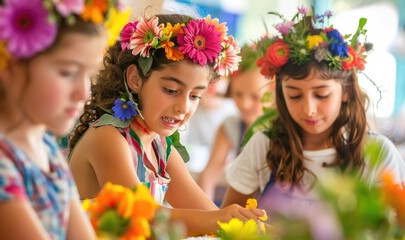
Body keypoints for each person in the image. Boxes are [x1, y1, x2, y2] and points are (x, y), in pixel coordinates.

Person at [68, 13, 266, 236]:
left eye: (195, 96)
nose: (183, 107)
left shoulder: (160, 144)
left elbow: (205, 210)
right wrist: (219, 219)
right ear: (135, 79)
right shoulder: (109, 137)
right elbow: (141, 216)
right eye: (171, 91)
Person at [222, 6, 405, 221]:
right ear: (281, 94)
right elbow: (226, 222)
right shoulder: (263, 146)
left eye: (322, 95)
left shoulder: (378, 152)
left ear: (345, 91)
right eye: (295, 96)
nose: (309, 109)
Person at [0, 0, 126, 239]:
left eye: (88, 74)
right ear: (10, 64)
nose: (83, 93)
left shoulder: (45, 145)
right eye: (68, 72)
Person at [197, 43, 272, 203]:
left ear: (273, 92)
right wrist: (206, 213)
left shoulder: (279, 130)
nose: (244, 104)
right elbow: (209, 175)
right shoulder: (231, 126)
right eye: (238, 94)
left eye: (254, 97)